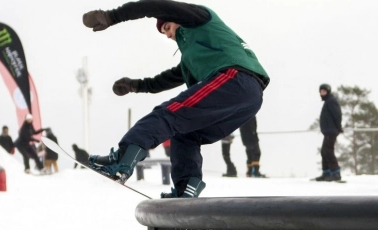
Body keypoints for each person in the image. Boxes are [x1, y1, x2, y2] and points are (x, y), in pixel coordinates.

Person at [81, 0, 269, 198]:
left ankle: (122, 159)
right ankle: (187, 189)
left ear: (177, 19)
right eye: (164, 33)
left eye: (168, 27)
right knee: (186, 133)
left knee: (168, 114)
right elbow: (168, 78)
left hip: (235, 78)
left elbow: (154, 6)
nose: (169, 35)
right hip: (250, 98)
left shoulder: (198, 18)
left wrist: (112, 16)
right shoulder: (193, 56)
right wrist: (135, 85)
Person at [314, 84, 343, 181]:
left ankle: (335, 173)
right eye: (321, 91)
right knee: (324, 151)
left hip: (331, 131)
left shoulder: (331, 101)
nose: (322, 93)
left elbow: (337, 114)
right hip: (327, 131)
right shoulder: (328, 101)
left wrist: (338, 127)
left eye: (324, 91)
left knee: (328, 151)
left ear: (328, 92)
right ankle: (326, 172)